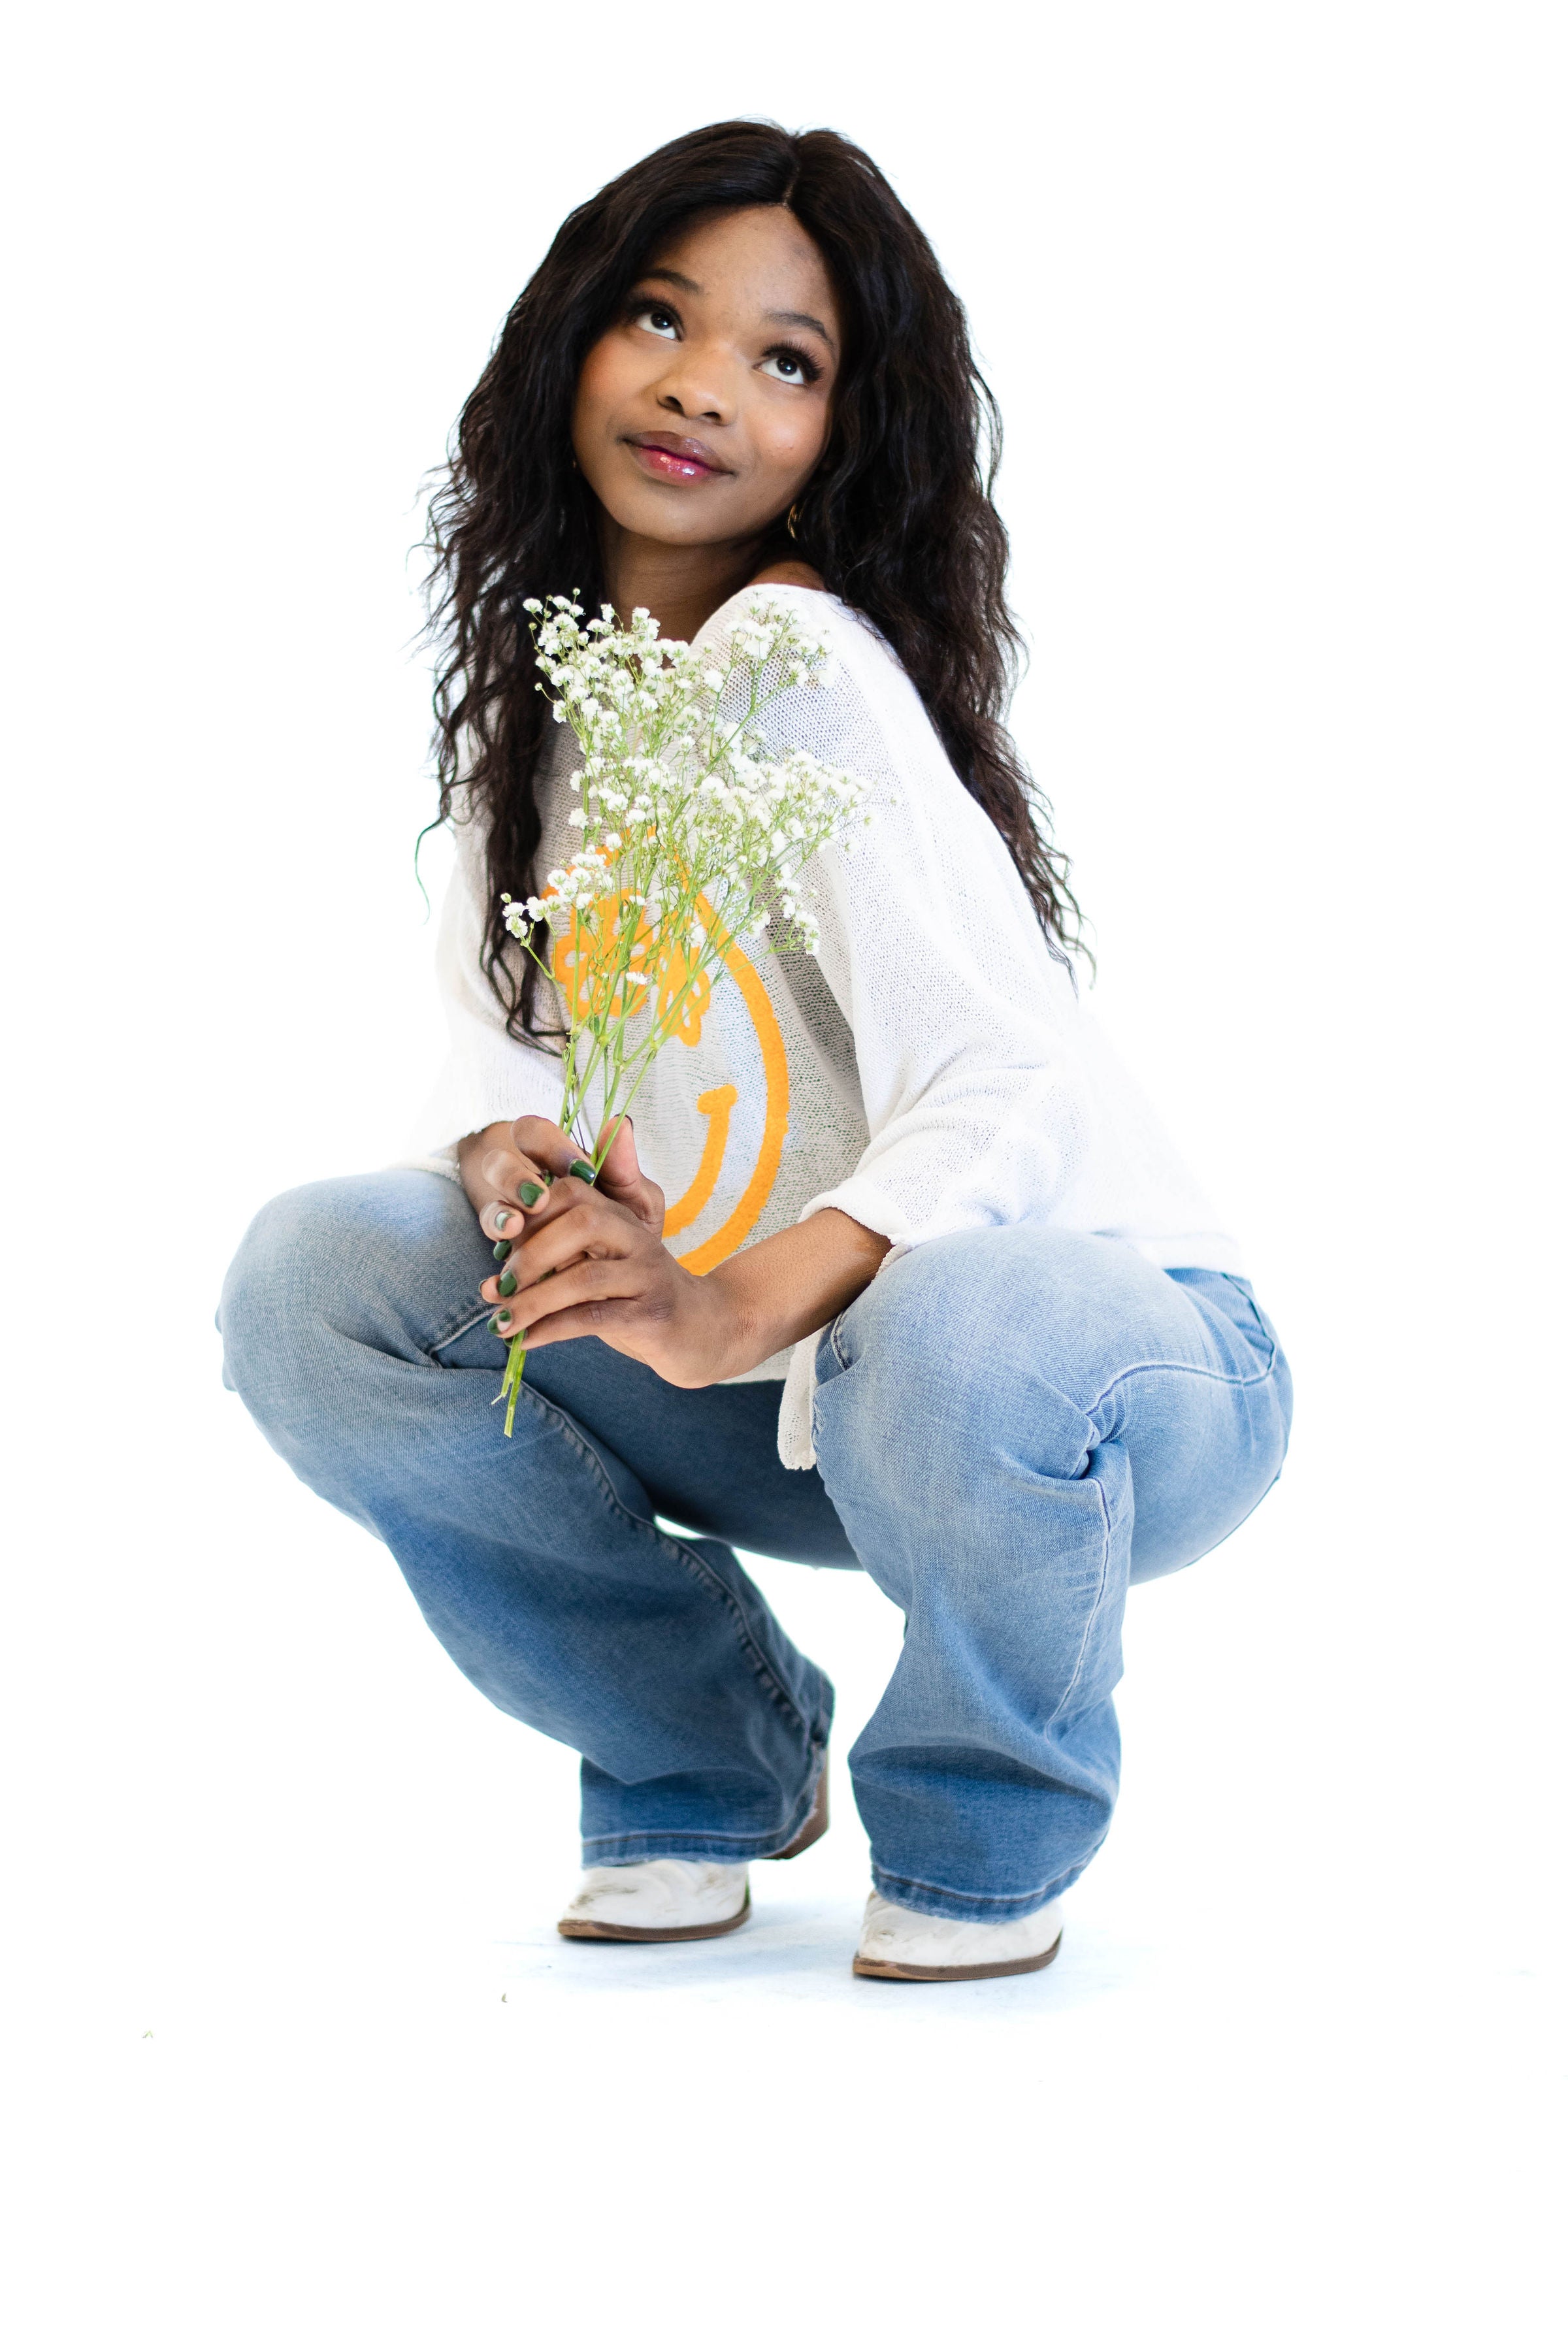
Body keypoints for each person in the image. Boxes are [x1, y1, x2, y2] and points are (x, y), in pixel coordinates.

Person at [220, 120, 1292, 1985]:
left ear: (841, 434)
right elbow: (496, 1072)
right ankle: (703, 1753)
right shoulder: (543, 724)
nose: (704, 387)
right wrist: (512, 1166)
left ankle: (982, 1835)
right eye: (660, 316)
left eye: (787, 360)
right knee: (325, 1279)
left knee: (949, 1319)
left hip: (1095, 1377)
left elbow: (1003, 1091)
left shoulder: (797, 663)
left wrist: (721, 1314)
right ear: (574, 342)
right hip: (800, 1390)